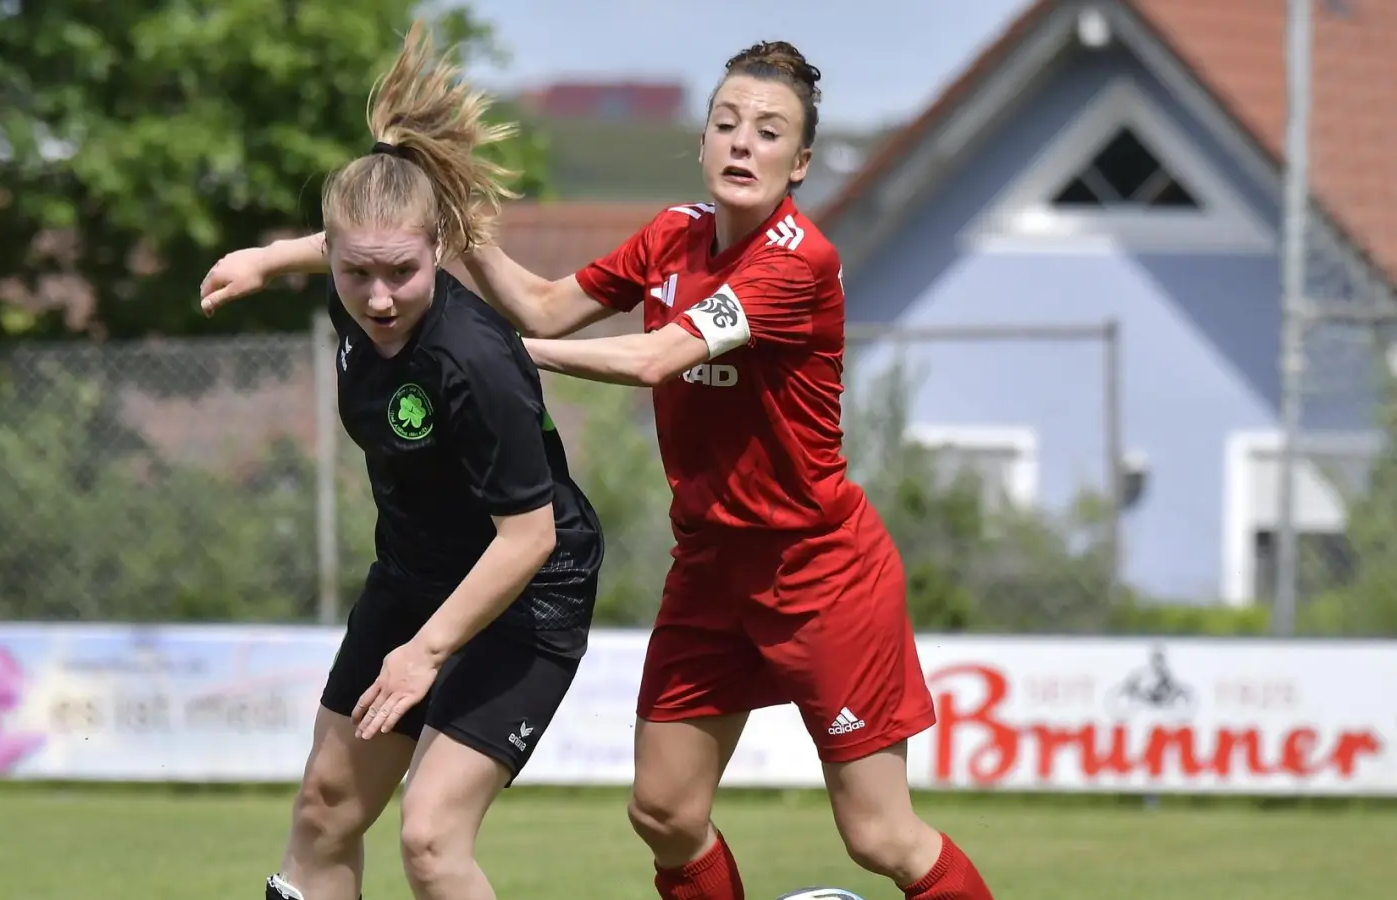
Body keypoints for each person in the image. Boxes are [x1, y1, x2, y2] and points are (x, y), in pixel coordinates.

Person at [201, 38, 992, 900]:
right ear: (700, 142)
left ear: (801, 162)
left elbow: (657, 357)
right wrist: (456, 243)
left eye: (768, 132)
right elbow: (541, 302)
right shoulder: (671, 237)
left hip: (819, 569)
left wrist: (498, 358)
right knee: (663, 813)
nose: (741, 143)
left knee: (877, 834)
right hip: (712, 567)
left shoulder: (798, 261)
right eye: (725, 123)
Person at [200, 22, 604, 900]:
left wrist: (425, 652)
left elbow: (527, 537)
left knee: (428, 838)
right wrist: (267, 260)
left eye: (401, 274)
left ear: (438, 252)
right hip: (418, 574)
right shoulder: (363, 280)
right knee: (325, 808)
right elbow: (351, 244)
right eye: (356, 275)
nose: (379, 298)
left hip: (527, 590)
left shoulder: (475, 362)